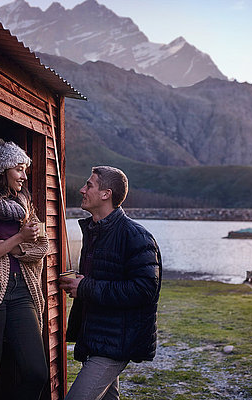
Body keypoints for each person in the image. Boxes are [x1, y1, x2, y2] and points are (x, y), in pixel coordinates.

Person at [59, 166, 162, 400]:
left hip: (116, 341)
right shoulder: (95, 232)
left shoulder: (136, 236)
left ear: (106, 194)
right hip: (98, 337)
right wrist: (80, 285)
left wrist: (85, 287)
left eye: (89, 185)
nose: (82, 189)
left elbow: (145, 289)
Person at [0, 137, 49, 400]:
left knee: (36, 373)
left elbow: (42, 247)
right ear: (2, 169)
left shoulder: (24, 204)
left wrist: (9, 246)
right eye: (18, 169)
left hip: (23, 293)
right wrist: (19, 239)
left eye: (25, 169)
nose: (23, 176)